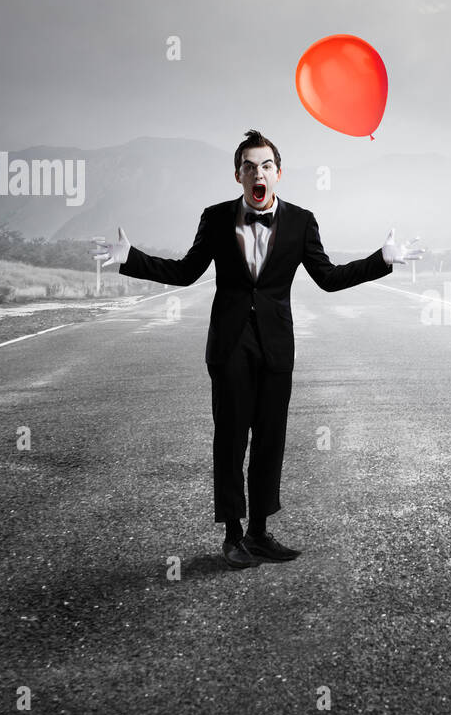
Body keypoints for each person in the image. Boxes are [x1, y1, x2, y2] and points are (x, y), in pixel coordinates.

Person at [92, 129, 423, 568]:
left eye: (266, 165)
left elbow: (328, 277)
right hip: (229, 346)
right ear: (238, 175)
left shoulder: (302, 221)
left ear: (278, 174)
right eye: (249, 166)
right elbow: (186, 272)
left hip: (276, 347)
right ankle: (233, 537)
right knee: (231, 439)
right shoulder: (215, 217)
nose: (257, 172)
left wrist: (381, 260)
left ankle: (261, 533)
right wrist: (130, 257)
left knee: (270, 440)